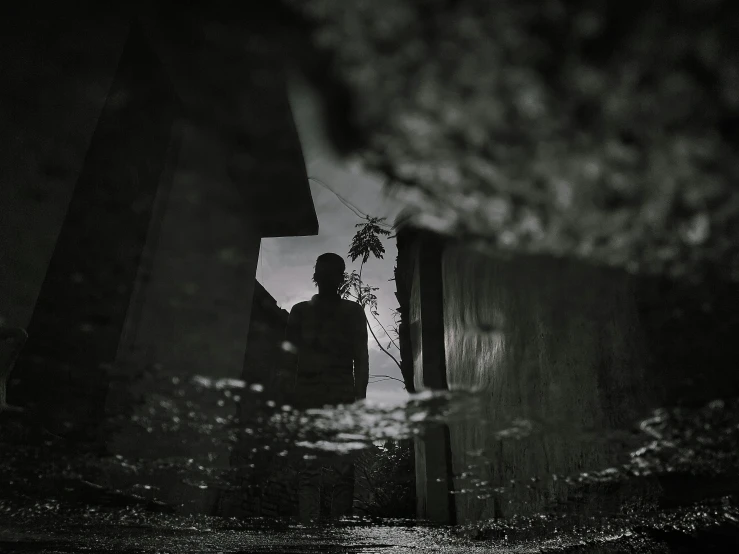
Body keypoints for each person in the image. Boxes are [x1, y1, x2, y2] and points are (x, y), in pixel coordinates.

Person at [283, 253, 369, 523]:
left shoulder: (348, 312)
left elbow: (361, 359)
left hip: (330, 395)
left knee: (329, 468)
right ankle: (323, 529)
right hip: (321, 395)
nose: (329, 278)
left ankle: (327, 530)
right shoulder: (302, 311)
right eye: (327, 273)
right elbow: (288, 360)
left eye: (333, 273)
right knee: (326, 468)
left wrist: (359, 398)